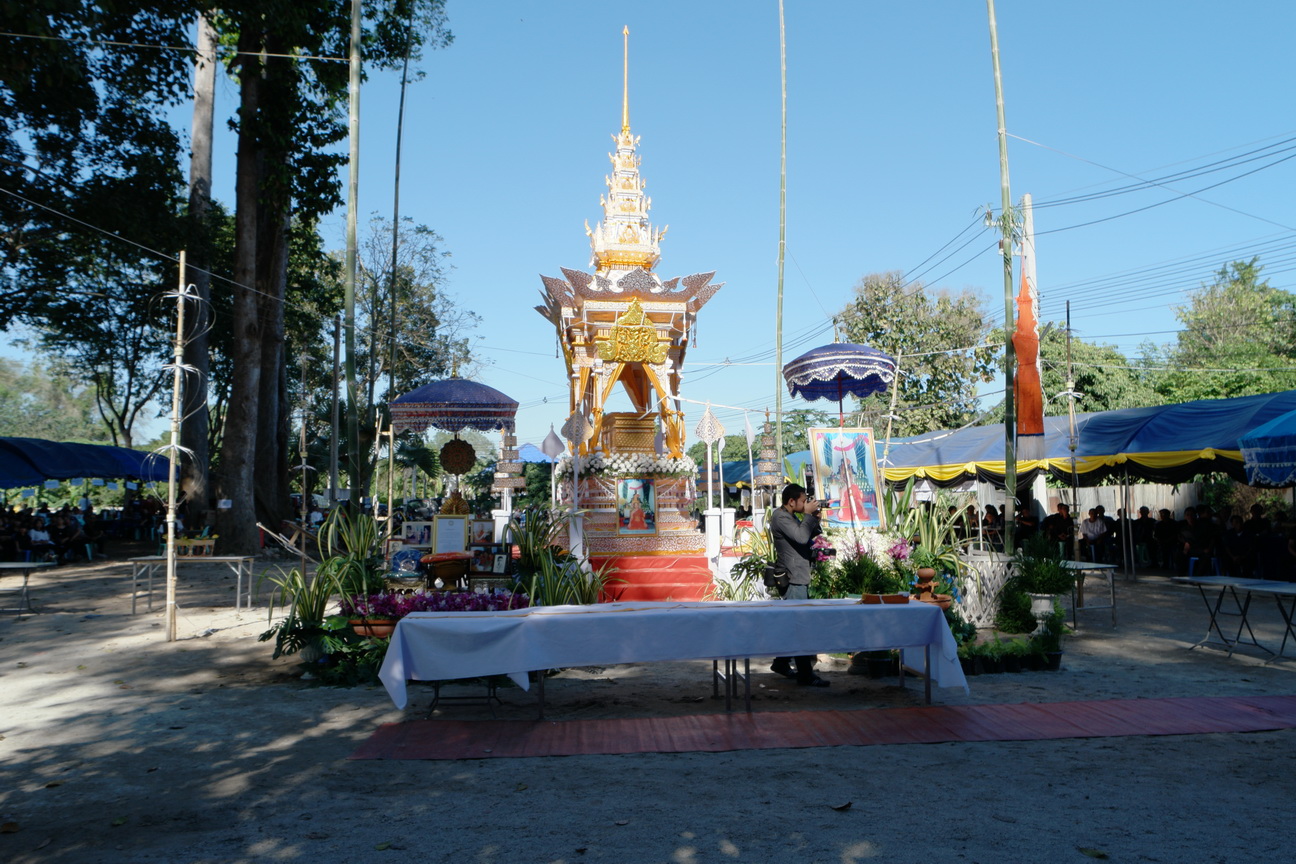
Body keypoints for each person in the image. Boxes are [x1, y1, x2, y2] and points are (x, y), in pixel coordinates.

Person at [768, 483, 829, 687]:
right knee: (801, 627)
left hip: (799, 575)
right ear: (791, 501)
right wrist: (808, 515)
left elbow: (807, 536)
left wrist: (814, 518)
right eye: (803, 501)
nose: (806, 504)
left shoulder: (791, 516)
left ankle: (781, 662)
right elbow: (802, 537)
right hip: (792, 578)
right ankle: (805, 674)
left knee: (793, 626)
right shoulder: (781, 517)